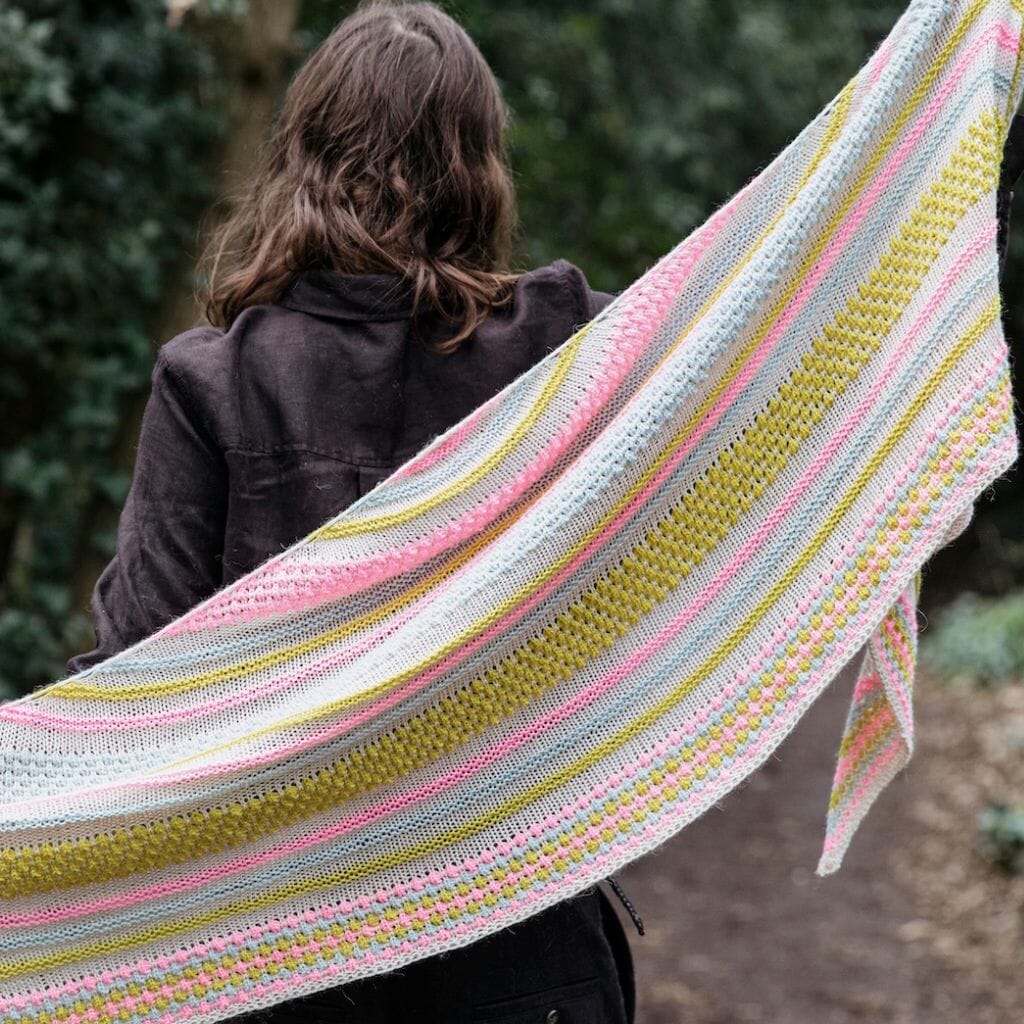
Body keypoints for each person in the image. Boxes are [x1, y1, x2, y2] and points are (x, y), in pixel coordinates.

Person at [65, 2, 637, 1021]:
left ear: (300, 157)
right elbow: (758, 366)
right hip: (519, 936)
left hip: (279, 951)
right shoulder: (569, 350)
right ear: (480, 168)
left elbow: (138, 677)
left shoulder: (218, 383)